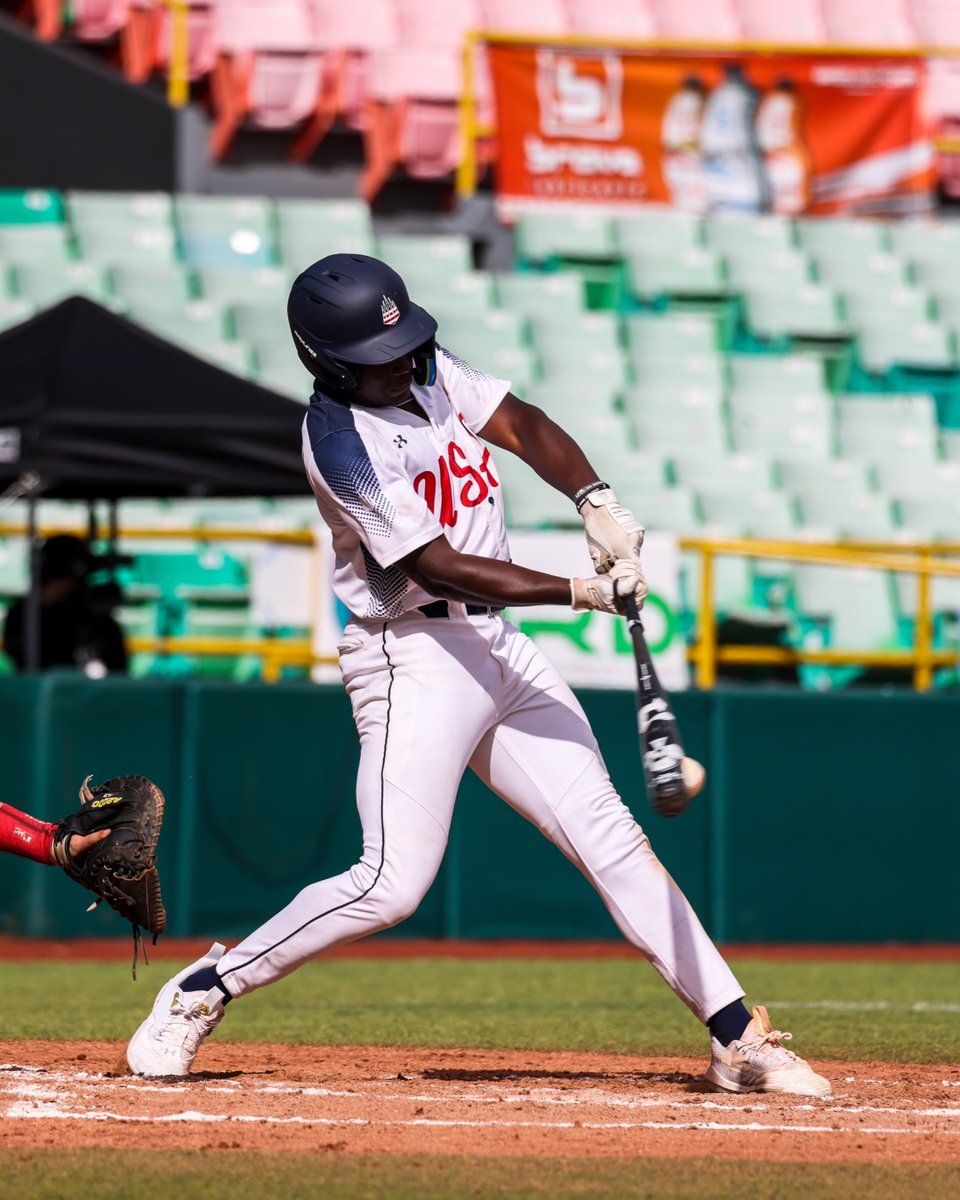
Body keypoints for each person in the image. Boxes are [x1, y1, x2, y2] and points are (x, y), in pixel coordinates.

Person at [125, 254, 831, 1099]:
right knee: (391, 886)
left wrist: (594, 498)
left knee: (612, 839)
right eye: (380, 355)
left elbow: (523, 423)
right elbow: (438, 565)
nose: (405, 361)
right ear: (330, 362)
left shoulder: (425, 368)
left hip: (497, 647)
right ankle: (203, 989)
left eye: (407, 343)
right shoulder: (339, 441)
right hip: (410, 655)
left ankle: (736, 1036)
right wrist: (582, 591)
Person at [2, 534, 128, 676]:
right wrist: (43, 601)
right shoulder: (26, 615)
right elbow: (17, 652)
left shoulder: (93, 617)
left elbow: (116, 668)